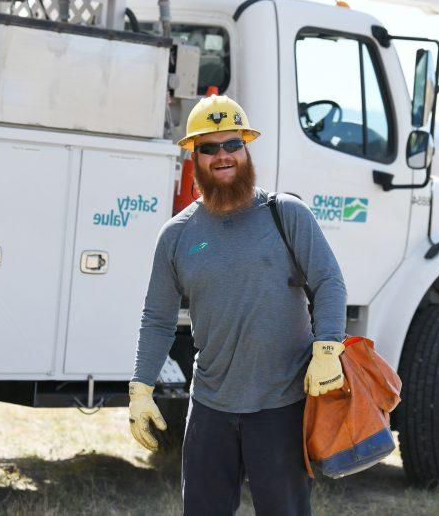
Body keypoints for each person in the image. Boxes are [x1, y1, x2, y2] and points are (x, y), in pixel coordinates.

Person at [128, 94, 348, 515]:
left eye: (232, 144)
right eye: (209, 148)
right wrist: (141, 389)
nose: (222, 156)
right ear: (194, 156)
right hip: (211, 408)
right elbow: (156, 318)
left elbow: (329, 282)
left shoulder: (286, 214)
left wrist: (327, 348)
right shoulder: (177, 235)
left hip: (281, 406)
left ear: (247, 148)